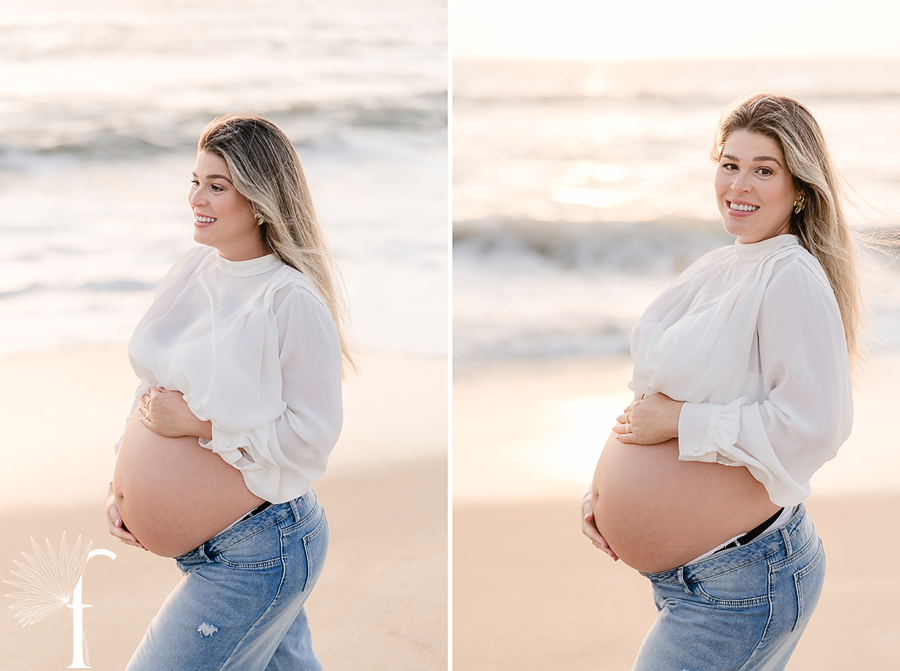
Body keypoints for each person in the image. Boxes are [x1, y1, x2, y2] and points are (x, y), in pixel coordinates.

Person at [581, 93, 861, 669]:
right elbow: (658, 404)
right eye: (730, 165)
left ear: (800, 187)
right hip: (706, 578)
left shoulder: (789, 276)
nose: (740, 185)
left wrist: (680, 423)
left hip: (743, 581)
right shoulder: (723, 266)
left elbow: (813, 426)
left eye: (764, 170)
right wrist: (602, 496)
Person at [106, 113, 354, 670]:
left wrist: (199, 426)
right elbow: (152, 387)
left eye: (217, 186)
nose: (197, 198)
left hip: (260, 549)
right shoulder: (194, 269)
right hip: (217, 546)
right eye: (195, 181)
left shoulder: (289, 300)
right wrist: (120, 486)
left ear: (260, 201)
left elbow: (310, 439)